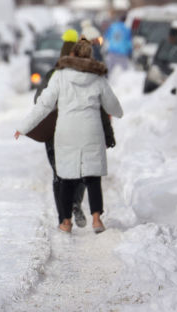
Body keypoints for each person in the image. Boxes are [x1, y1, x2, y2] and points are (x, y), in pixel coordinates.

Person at [14, 38, 123, 234]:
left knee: (66, 176)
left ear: (72, 55)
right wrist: (119, 112)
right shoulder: (98, 78)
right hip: (91, 132)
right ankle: (97, 219)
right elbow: (113, 106)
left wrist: (23, 127)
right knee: (92, 177)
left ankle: (65, 222)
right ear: (89, 55)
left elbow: (44, 105)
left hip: (67, 131)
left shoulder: (60, 76)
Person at [34, 28, 87, 228]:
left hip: (54, 132)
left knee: (59, 175)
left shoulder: (51, 75)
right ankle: (75, 202)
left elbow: (38, 100)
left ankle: (63, 219)